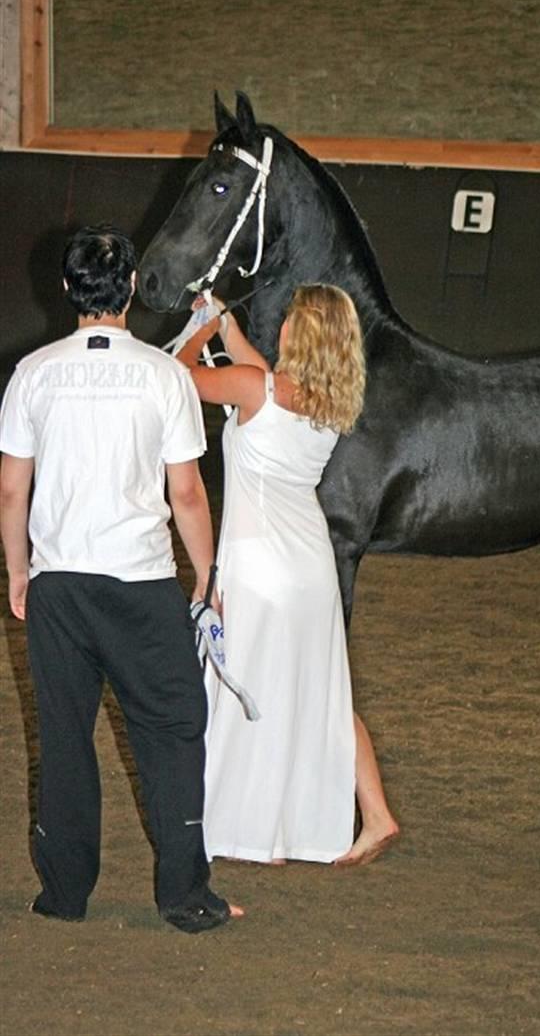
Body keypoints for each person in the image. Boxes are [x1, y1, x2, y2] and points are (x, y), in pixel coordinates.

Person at [0, 226, 242, 933]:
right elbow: (188, 495)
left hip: (61, 588)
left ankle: (65, 895)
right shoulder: (164, 375)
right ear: (132, 288)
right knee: (173, 729)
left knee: (65, 736)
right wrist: (208, 576)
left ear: (69, 289)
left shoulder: (34, 374)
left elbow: (12, 492)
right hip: (139, 585)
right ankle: (185, 895)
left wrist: (19, 570)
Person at [176, 285, 399, 865]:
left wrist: (201, 329)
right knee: (322, 692)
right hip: (311, 568)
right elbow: (254, 368)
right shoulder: (326, 402)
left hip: (259, 567)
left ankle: (257, 834)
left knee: (247, 691)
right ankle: (375, 814)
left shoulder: (258, 390)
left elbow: (179, 376)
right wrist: (225, 324)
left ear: (297, 335)